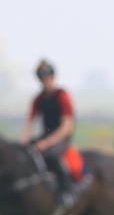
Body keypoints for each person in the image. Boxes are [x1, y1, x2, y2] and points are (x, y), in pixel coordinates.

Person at [20, 59, 77, 207]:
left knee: (52, 156)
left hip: (61, 137)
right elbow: (30, 123)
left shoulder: (62, 95)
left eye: (47, 77)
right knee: (27, 154)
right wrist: (23, 143)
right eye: (42, 78)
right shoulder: (38, 99)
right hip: (45, 135)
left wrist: (46, 143)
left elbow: (67, 126)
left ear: (53, 77)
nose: (45, 81)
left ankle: (67, 192)